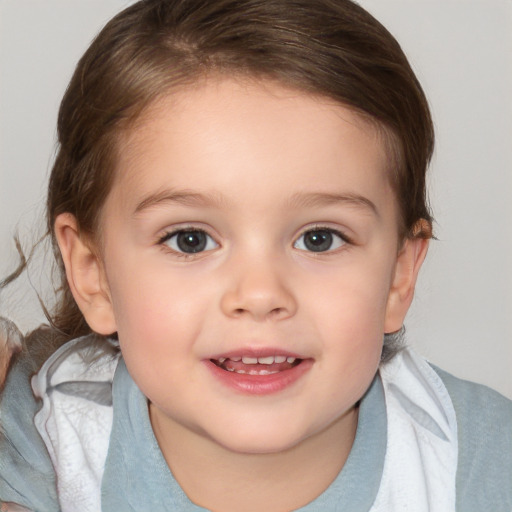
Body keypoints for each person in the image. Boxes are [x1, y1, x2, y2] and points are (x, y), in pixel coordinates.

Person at [0, 0, 510, 510]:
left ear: (399, 275)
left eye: (319, 238)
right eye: (190, 239)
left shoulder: (479, 462)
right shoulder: (41, 436)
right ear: (94, 275)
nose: (261, 294)